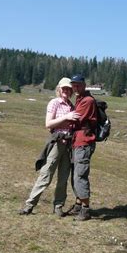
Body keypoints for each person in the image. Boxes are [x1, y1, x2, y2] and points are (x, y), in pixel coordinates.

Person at [20, 77, 80, 217]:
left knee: (63, 178)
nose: (66, 91)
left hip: (68, 145)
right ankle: (29, 205)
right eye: (64, 88)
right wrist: (66, 118)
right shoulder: (54, 103)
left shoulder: (71, 106)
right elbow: (48, 124)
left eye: (69, 89)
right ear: (59, 89)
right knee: (45, 175)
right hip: (56, 143)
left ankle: (58, 206)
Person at [69, 74, 97, 221]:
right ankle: (78, 204)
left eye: (78, 85)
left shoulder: (87, 101)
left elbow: (75, 120)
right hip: (77, 142)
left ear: (84, 85)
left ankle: (85, 210)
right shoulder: (79, 99)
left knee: (80, 175)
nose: (75, 88)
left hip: (84, 142)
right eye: (73, 85)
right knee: (75, 175)